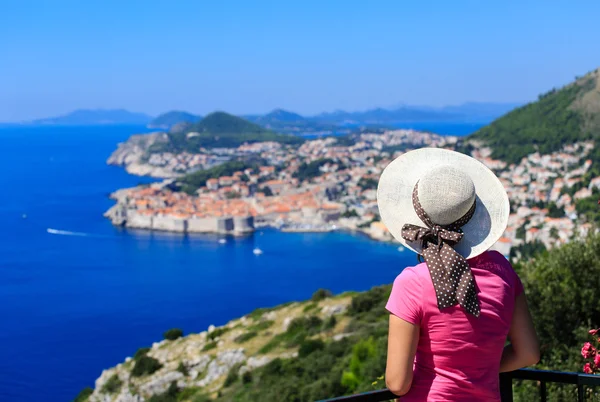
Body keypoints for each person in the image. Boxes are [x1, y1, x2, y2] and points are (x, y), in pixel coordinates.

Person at [376, 148, 539, 401]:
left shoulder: (412, 283)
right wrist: (475, 370)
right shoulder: (503, 271)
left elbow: (397, 382)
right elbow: (528, 353)